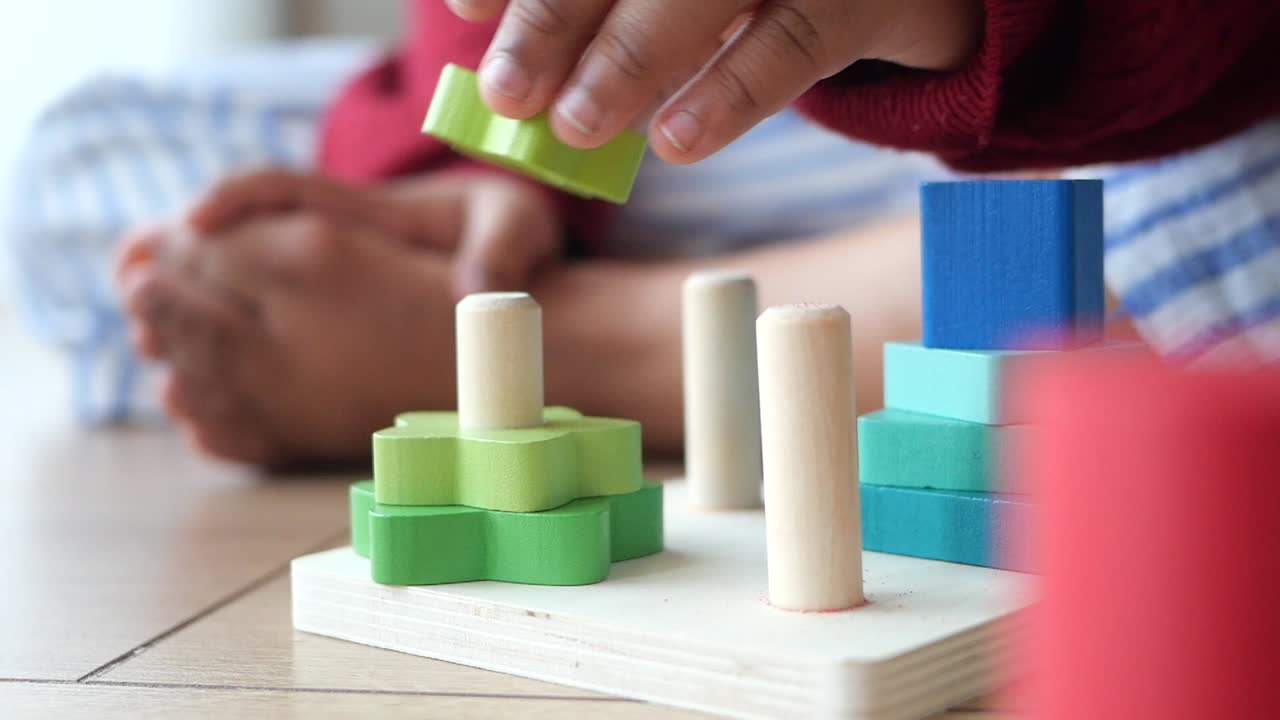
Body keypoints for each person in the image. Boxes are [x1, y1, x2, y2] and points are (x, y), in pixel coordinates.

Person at [13, 2, 1280, 466]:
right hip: (771, 110)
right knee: (88, 180)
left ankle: (568, 357)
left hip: (1180, 112)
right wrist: (505, 158)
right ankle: (487, 290)